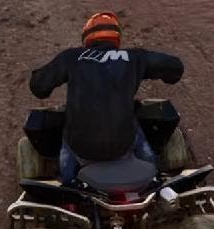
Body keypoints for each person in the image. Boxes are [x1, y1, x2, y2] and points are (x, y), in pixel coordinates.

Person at [29, 11, 185, 184]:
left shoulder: (71, 57)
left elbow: (38, 87)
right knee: (138, 133)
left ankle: (68, 183)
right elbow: (175, 67)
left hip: (82, 146)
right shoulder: (134, 57)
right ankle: (155, 181)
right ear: (116, 37)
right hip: (122, 147)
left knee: (67, 144)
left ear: (87, 37)